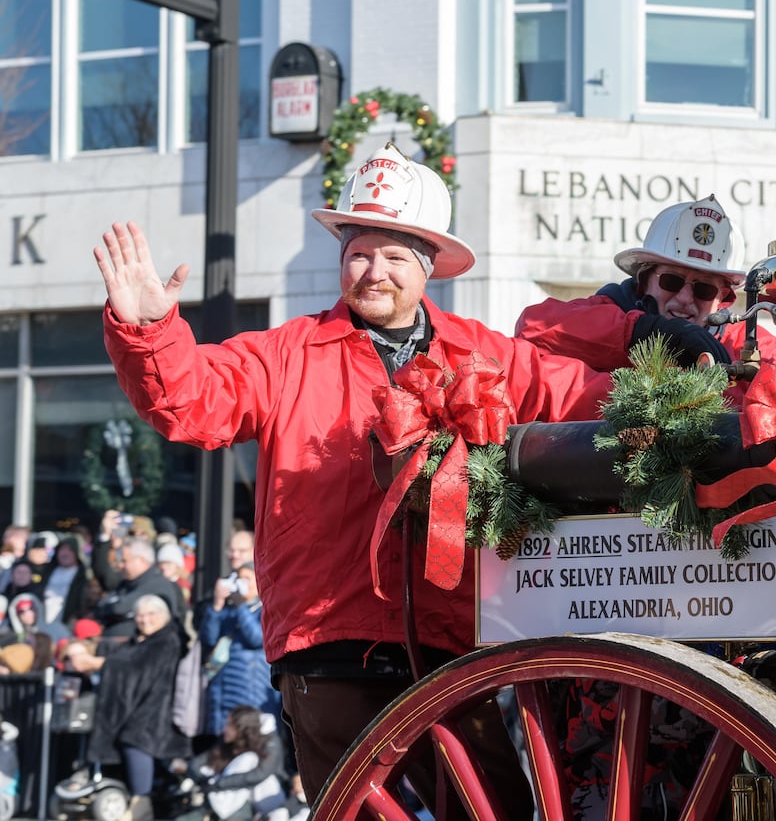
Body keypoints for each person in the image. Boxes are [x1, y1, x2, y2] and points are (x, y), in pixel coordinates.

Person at [95, 143, 612, 809]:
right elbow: (192, 401)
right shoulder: (284, 355)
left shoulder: (483, 354)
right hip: (329, 642)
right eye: (359, 253)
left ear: (428, 270)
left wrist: (706, 395)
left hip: (450, 643)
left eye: (394, 257)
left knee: (496, 808)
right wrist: (150, 329)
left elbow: (585, 395)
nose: (373, 272)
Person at [515, 195, 776, 373]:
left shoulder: (750, 345)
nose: (685, 299)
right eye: (672, 281)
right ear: (644, 281)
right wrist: (644, 332)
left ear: (723, 298)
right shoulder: (606, 312)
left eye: (704, 289)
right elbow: (533, 330)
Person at [70, 594, 190, 821]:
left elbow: (138, 667)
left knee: (136, 738)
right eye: (140, 615)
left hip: (158, 709)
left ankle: (140, 802)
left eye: (150, 615)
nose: (144, 620)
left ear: (163, 616)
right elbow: (125, 658)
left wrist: (96, 664)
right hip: (135, 706)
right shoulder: (140, 640)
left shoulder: (169, 640)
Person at [197, 562, 277, 742]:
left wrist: (241, 606)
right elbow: (208, 639)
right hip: (223, 689)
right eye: (239, 578)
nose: (242, 583)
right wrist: (217, 605)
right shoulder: (229, 610)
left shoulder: (265, 609)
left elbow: (257, 639)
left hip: (250, 687)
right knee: (225, 742)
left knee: (248, 739)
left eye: (247, 578)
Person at [179, 705, 287, 821]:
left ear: (242, 729)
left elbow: (260, 774)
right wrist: (205, 780)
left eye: (230, 725)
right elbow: (196, 763)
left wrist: (216, 784)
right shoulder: (226, 742)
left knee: (249, 759)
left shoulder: (266, 745)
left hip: (262, 801)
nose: (224, 729)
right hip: (225, 801)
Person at [92, 537, 187, 642]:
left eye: (124, 561)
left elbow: (119, 608)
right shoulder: (126, 582)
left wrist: (114, 608)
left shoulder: (157, 583)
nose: (120, 565)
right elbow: (101, 607)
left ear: (141, 560)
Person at [39, 534, 94, 637]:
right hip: (44, 620)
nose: (65, 554)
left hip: (68, 622)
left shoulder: (83, 575)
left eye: (70, 550)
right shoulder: (48, 571)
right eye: (62, 550)